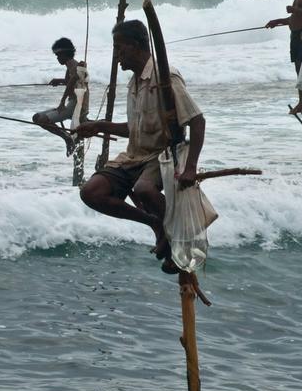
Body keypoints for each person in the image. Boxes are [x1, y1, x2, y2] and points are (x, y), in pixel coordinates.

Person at [74, 19, 205, 273]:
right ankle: (156, 224)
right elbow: (134, 129)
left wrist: (191, 168)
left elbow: (197, 121)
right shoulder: (134, 83)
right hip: (134, 157)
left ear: (135, 46)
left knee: (144, 189)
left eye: (120, 48)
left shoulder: (165, 78)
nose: (117, 56)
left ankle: (176, 237)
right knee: (91, 192)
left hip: (162, 155)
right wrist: (100, 126)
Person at [32, 37, 89, 156]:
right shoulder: (72, 66)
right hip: (72, 103)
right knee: (36, 117)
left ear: (65, 54)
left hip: (76, 106)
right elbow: (72, 81)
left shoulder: (75, 65)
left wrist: (62, 102)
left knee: (42, 120)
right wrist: (60, 81)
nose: (57, 58)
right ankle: (67, 137)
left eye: (58, 55)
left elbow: (71, 84)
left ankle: (67, 138)